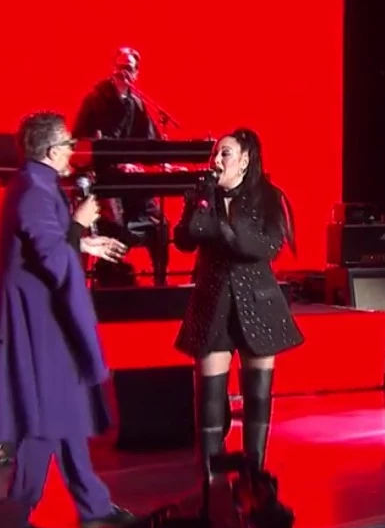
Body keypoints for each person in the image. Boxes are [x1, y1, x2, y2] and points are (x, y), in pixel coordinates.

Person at [0, 112, 132, 528]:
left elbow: (45, 246)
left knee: (65, 405)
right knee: (45, 414)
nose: (73, 151)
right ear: (51, 150)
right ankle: (14, 519)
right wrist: (80, 225)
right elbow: (50, 254)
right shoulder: (34, 189)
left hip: (45, 315)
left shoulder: (37, 184)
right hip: (37, 319)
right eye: (68, 144)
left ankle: (93, 503)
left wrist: (81, 242)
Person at [174, 128, 304, 481]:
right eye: (215, 153)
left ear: (245, 161)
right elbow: (185, 239)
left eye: (225, 153)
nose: (217, 160)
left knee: (257, 396)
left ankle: (254, 476)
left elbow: (265, 247)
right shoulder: (204, 195)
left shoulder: (268, 196)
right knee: (209, 398)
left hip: (258, 304)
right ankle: (211, 480)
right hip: (213, 303)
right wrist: (202, 201)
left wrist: (224, 229)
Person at [72, 47, 169, 286]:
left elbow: (149, 143)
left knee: (160, 223)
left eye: (128, 68)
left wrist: (164, 163)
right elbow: (79, 142)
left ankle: (160, 283)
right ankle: (109, 278)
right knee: (114, 223)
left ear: (136, 73)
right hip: (104, 180)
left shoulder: (137, 104)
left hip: (130, 181)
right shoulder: (96, 100)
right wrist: (117, 163)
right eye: (119, 67)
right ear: (112, 69)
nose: (123, 73)